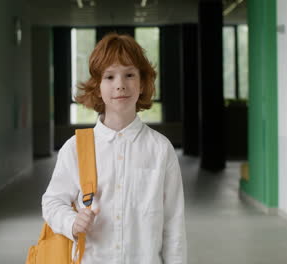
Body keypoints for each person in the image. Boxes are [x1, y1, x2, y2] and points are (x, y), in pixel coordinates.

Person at [42, 33, 187, 264]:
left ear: (142, 84)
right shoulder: (75, 148)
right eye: (109, 77)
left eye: (129, 75)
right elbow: (52, 202)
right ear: (97, 87)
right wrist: (71, 221)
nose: (120, 85)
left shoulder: (161, 149)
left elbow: (174, 224)